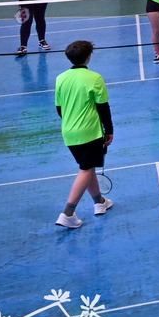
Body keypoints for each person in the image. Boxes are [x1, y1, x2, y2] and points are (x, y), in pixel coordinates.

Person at [53, 40, 112, 229]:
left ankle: (99, 202)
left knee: (88, 166)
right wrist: (109, 131)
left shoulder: (61, 78)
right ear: (89, 57)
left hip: (69, 132)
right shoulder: (95, 78)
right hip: (89, 131)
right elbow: (103, 108)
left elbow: (59, 108)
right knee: (86, 169)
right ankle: (68, 213)